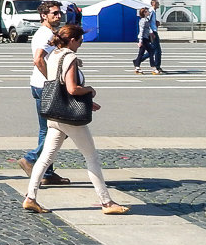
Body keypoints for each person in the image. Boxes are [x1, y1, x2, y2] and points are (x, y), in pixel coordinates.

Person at [22, 24, 129, 215]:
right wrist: (89, 90)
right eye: (80, 40)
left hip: (54, 113)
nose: (81, 43)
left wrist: (88, 102)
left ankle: (31, 198)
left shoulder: (54, 54)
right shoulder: (69, 57)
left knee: (45, 158)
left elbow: (59, 85)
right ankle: (106, 202)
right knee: (91, 157)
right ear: (72, 40)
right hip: (69, 118)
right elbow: (72, 88)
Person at [17, 0, 70, 186]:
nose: (58, 16)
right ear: (43, 15)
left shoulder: (49, 33)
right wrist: (53, 80)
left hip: (41, 85)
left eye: (59, 13)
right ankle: (30, 159)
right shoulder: (46, 35)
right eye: (54, 13)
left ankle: (47, 172)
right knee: (59, 130)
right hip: (45, 87)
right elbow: (38, 59)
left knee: (48, 130)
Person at [131, 7, 159, 74]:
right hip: (143, 39)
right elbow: (142, 31)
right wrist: (140, 41)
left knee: (141, 53)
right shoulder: (143, 21)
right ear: (144, 13)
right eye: (147, 11)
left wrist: (151, 33)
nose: (149, 12)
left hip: (145, 38)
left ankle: (137, 66)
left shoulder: (146, 19)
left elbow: (147, 29)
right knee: (151, 51)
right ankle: (153, 67)